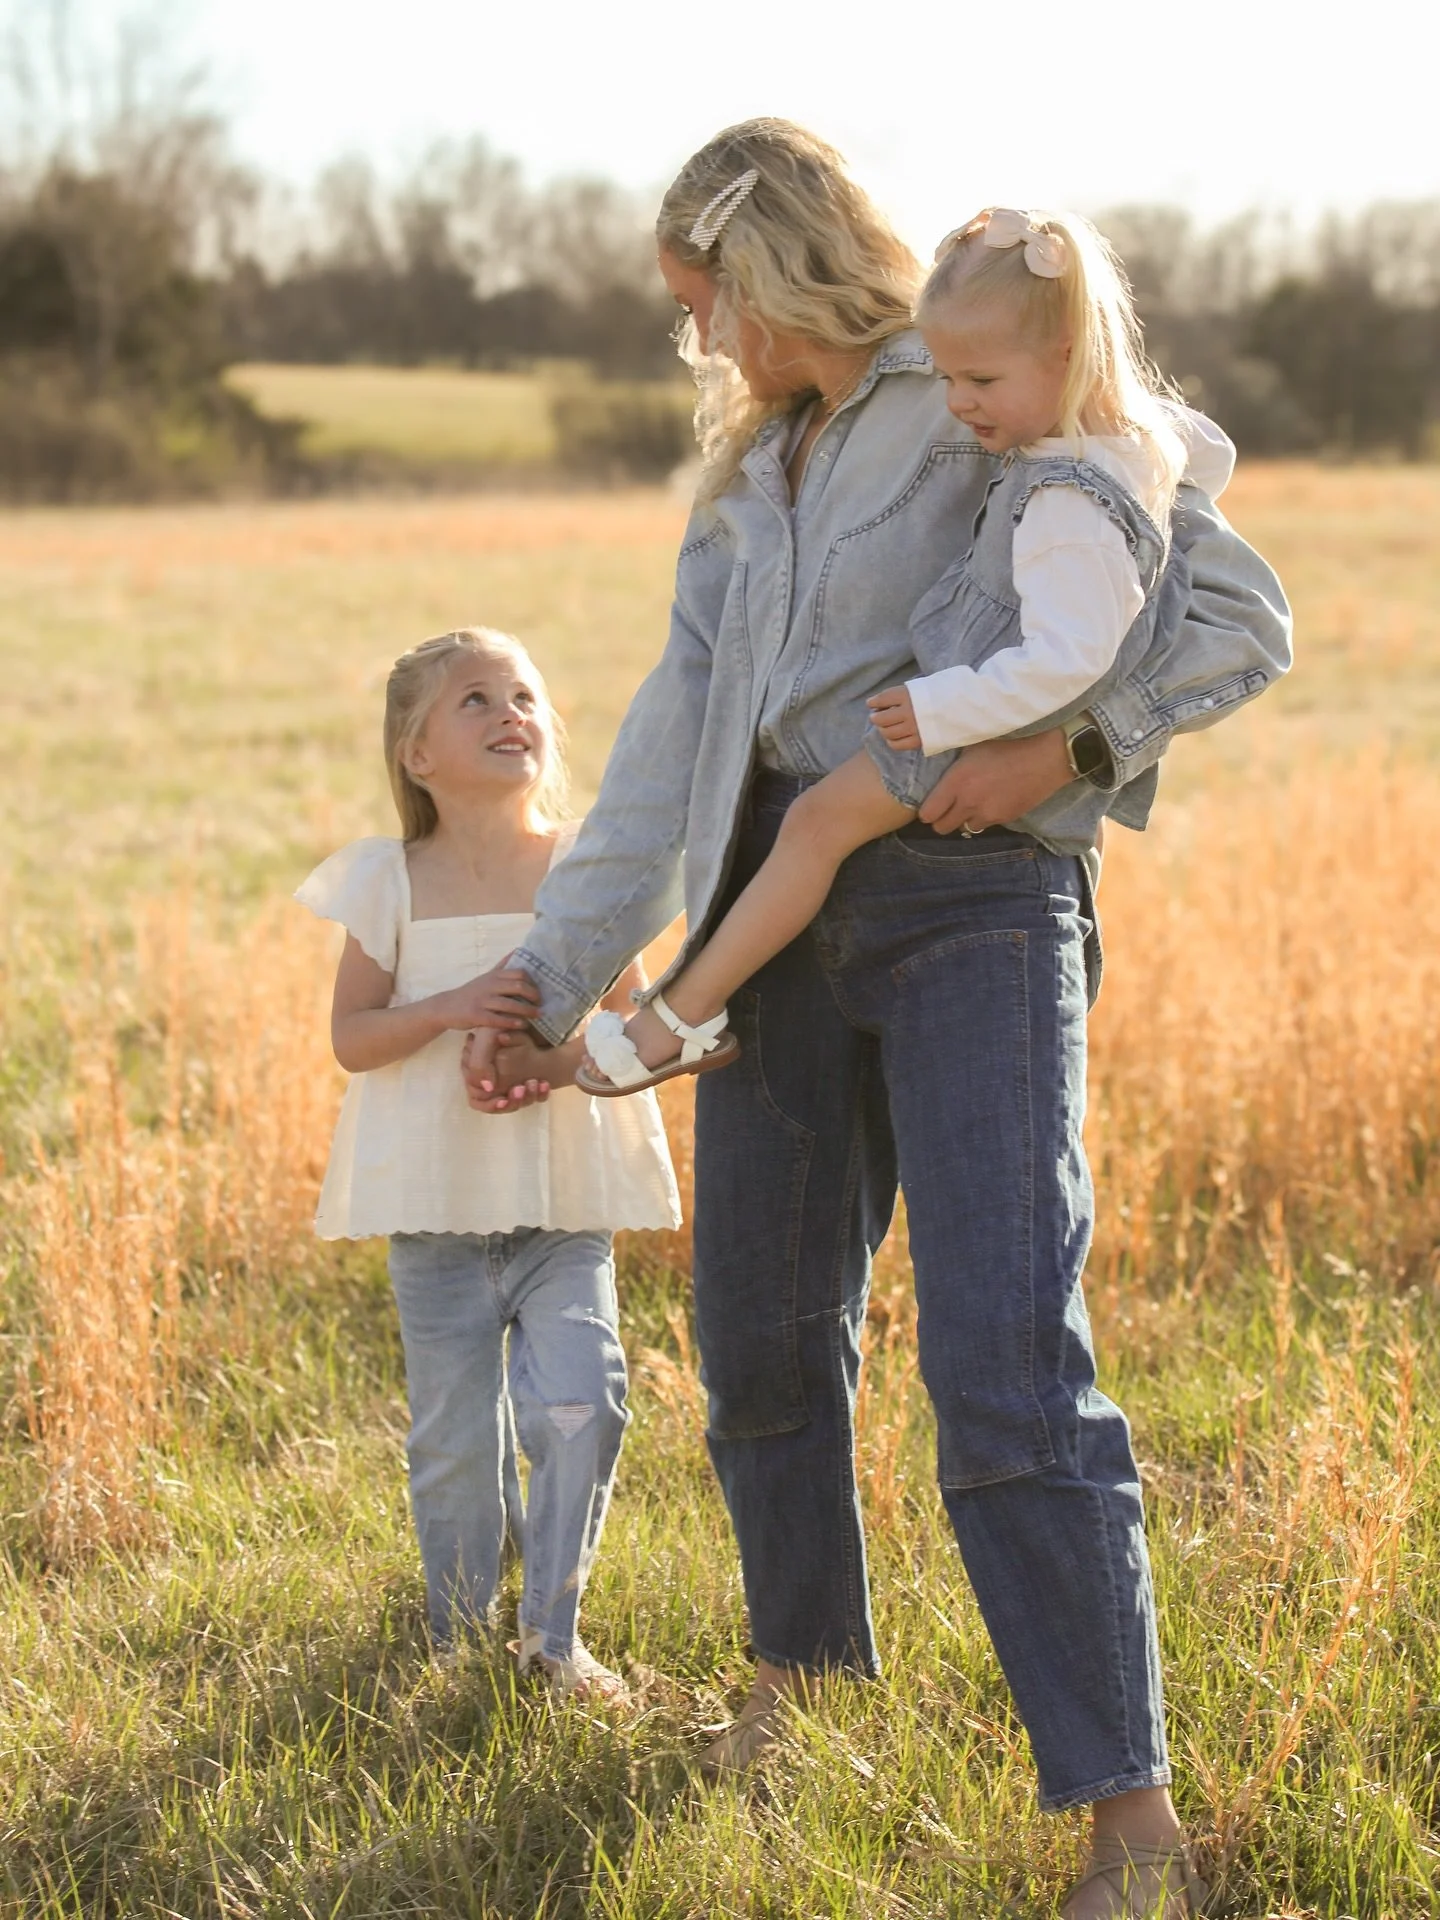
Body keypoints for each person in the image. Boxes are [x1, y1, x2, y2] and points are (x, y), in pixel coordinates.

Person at [464, 121, 1290, 1919]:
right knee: (762, 1340)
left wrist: (1060, 751)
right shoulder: (748, 482)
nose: (702, 351)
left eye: (705, 311)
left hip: (971, 900)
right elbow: (671, 754)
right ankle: (802, 1688)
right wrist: (544, 978)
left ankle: (1130, 1820)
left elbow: (1232, 613)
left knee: (1003, 1350)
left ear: (768, 268)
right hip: (774, 912)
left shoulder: (995, 383)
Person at [569, 205, 1237, 1099]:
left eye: (980, 379)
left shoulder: (1074, 494)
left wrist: (945, 711)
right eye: (952, 377)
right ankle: (679, 1009)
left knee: (813, 828)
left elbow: (1067, 660)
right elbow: (1202, 450)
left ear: (1070, 356)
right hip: (971, 712)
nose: (956, 403)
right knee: (811, 836)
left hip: (968, 732)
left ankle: (679, 1014)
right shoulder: (1108, 447)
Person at [295, 627, 679, 1703]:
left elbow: (633, 1019)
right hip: (438, 1211)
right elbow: (355, 1038)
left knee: (583, 1404)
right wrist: (453, 1009)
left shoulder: (583, 871)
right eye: (476, 700)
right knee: (457, 1445)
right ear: (416, 754)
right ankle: (460, 1643)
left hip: (562, 1195)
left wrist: (551, 1064)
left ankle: (556, 1640)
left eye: (524, 695)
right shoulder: (391, 882)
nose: (511, 712)